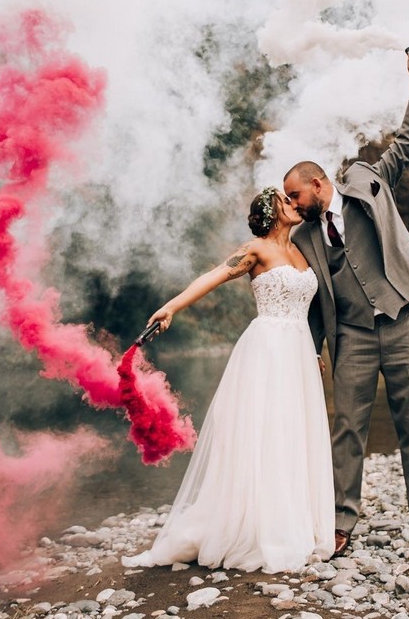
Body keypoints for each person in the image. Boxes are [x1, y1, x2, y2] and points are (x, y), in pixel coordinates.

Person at [283, 51, 409, 557]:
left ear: (320, 184)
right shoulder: (302, 238)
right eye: (288, 200)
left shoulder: (368, 181)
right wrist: (310, 349)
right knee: (347, 430)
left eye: (296, 195)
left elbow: (407, 144)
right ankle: (341, 523)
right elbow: (307, 299)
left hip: (403, 322)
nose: (294, 204)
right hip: (354, 339)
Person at [122, 188, 335, 574]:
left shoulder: (302, 251)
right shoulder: (256, 249)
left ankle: (289, 521)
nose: (295, 203)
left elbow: (307, 309)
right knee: (261, 435)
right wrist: (172, 307)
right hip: (267, 350)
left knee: (291, 434)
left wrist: (313, 351)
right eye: (287, 200)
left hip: (298, 351)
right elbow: (214, 276)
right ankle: (252, 528)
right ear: (272, 212)